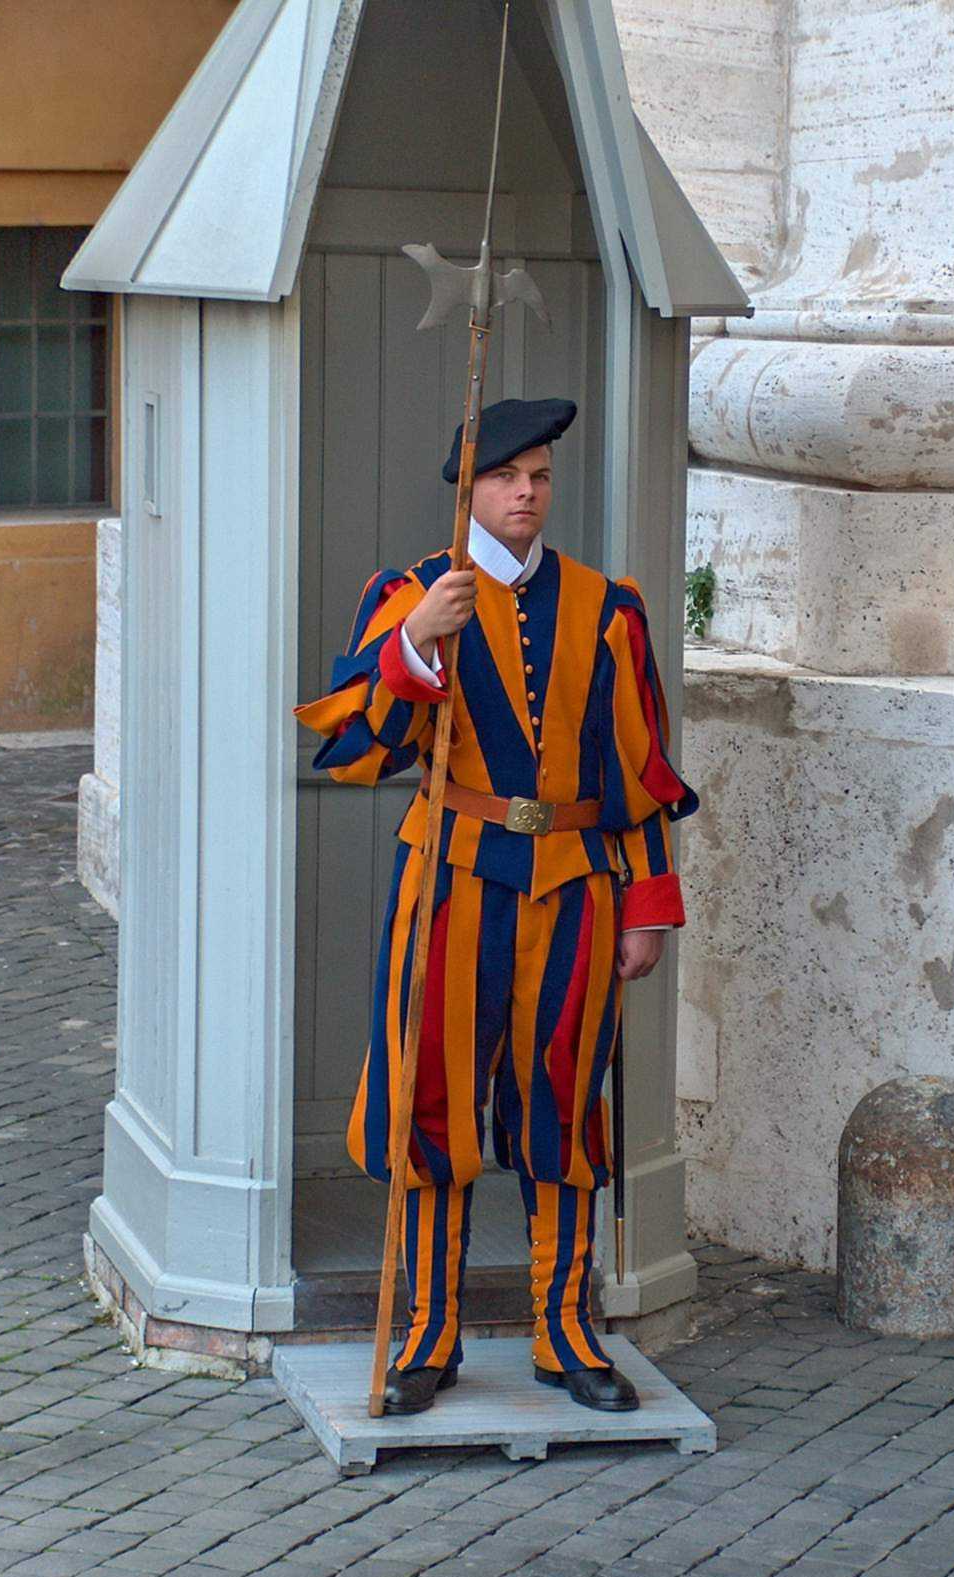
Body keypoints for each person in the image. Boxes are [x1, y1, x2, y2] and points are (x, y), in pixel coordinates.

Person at [293, 396, 698, 1416]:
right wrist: (412, 648)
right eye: (506, 476)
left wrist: (647, 901)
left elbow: (638, 769)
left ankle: (565, 1332)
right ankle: (429, 1332)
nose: (527, 493)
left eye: (540, 476)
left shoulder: (606, 607)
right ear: (467, 488)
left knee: (567, 1103)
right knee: (431, 1101)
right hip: (452, 883)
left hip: (576, 886)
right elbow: (360, 750)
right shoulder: (411, 596)